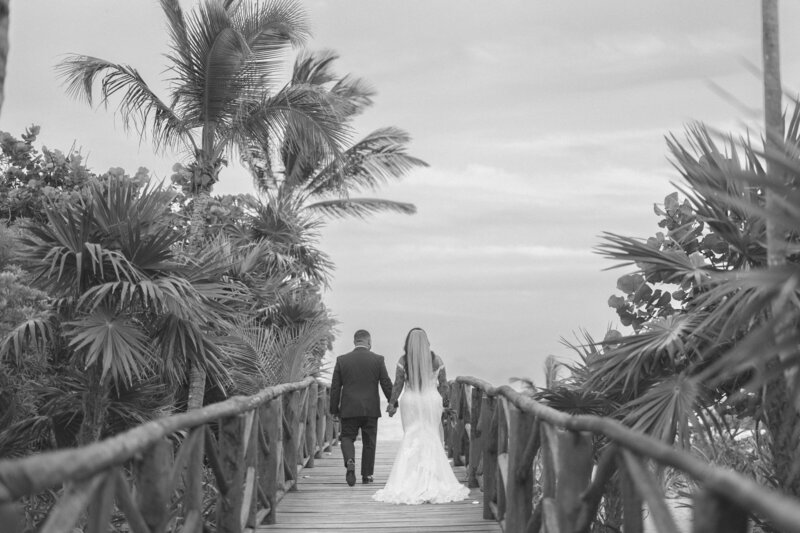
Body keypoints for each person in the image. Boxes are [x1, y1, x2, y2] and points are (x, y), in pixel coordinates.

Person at [372, 328, 470, 504]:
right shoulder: (436, 360)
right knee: (431, 435)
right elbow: (444, 385)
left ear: (408, 342)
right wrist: (445, 403)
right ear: (426, 342)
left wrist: (392, 403)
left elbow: (398, 384)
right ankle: (434, 479)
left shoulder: (404, 360)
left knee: (411, 436)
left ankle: (408, 479)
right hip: (431, 401)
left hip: (410, 401)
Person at [330, 329, 393, 486]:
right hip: (370, 409)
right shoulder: (378, 360)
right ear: (369, 342)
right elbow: (386, 382)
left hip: (349, 408)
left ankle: (350, 461)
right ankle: (367, 475)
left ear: (354, 342)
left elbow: (335, 388)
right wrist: (393, 402)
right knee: (369, 442)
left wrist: (333, 410)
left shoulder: (342, 360)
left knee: (346, 437)